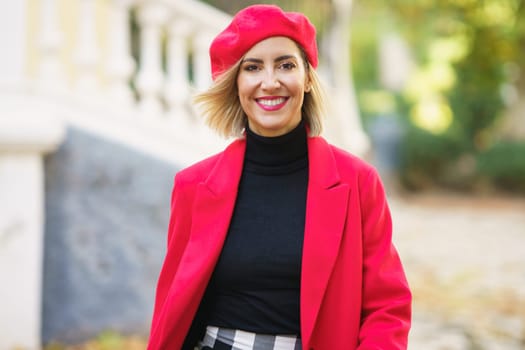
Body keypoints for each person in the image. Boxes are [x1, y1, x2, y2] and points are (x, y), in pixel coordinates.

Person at [147, 4, 411, 350]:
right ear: (236, 84)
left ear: (307, 80)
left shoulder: (358, 182)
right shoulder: (192, 186)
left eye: (286, 65)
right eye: (253, 68)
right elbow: (172, 307)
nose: (270, 83)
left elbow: (387, 306)